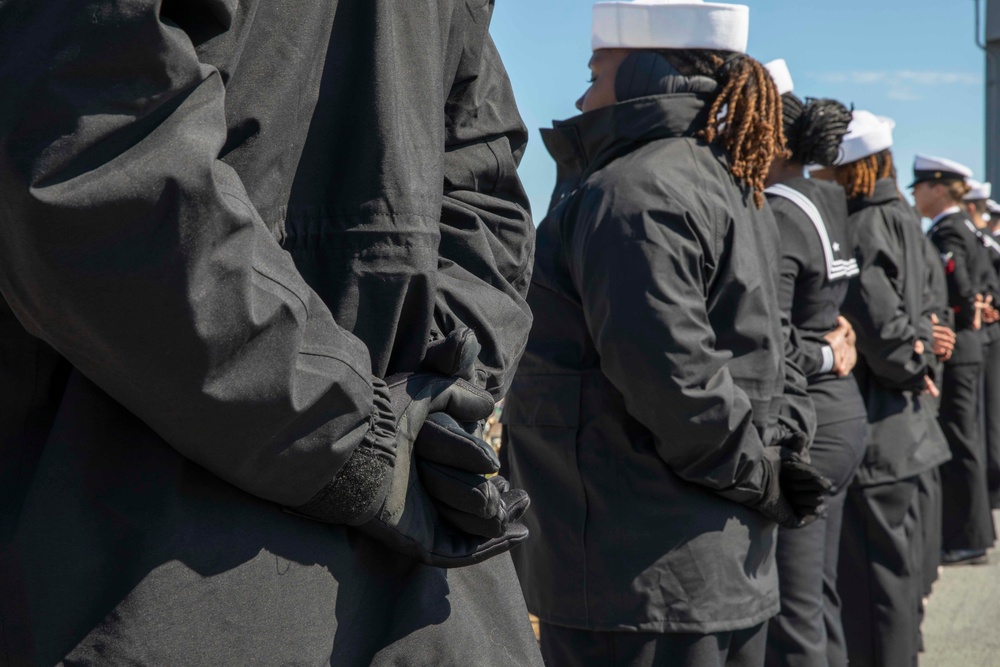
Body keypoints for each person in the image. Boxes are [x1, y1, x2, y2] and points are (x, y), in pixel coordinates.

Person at [0, 1, 543, 665]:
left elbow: (85, 145)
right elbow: (486, 191)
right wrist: (419, 420)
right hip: (422, 591)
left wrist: (387, 432)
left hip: (134, 570)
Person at [502, 2, 828, 665]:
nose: (581, 94)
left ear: (645, 72)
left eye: (596, 72)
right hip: (711, 566)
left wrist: (763, 477)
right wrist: (776, 467)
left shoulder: (634, 192)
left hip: (639, 575)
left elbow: (673, 381)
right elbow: (776, 358)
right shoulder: (732, 186)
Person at [822, 114, 948, 667]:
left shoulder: (866, 225)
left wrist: (907, 360)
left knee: (876, 594)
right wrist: (921, 355)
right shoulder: (904, 219)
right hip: (912, 428)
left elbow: (879, 324)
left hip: (882, 428)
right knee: (898, 586)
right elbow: (933, 318)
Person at [760, 60, 867, 667]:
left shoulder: (775, 212)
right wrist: (834, 341)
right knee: (819, 599)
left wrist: (826, 350)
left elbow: (771, 338)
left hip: (811, 420)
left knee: (793, 615)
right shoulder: (825, 194)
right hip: (843, 415)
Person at [916, 155, 1000, 567]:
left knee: (961, 440)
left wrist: (965, 310)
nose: (915, 195)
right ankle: (975, 532)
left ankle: (967, 537)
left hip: (961, 345)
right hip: (976, 344)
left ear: (936, 188)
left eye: (919, 187)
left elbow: (959, 284)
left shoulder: (949, 229)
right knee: (972, 438)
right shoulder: (969, 226)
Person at [964, 181, 1000, 510]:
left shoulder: (985, 243)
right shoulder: (983, 242)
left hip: (985, 336)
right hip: (986, 333)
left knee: (987, 415)